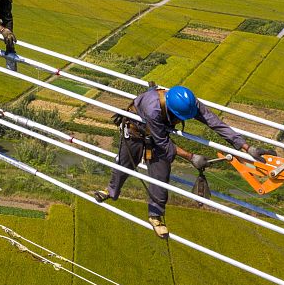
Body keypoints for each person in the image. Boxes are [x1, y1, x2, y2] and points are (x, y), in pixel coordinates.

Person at [92, 84, 273, 238]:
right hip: (136, 130)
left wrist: (247, 147)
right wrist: (191, 157)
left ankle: (155, 215)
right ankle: (112, 190)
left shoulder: (190, 103)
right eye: (179, 118)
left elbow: (215, 123)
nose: (180, 121)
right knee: (125, 163)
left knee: (161, 175)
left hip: (159, 132)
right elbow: (163, 143)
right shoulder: (153, 108)